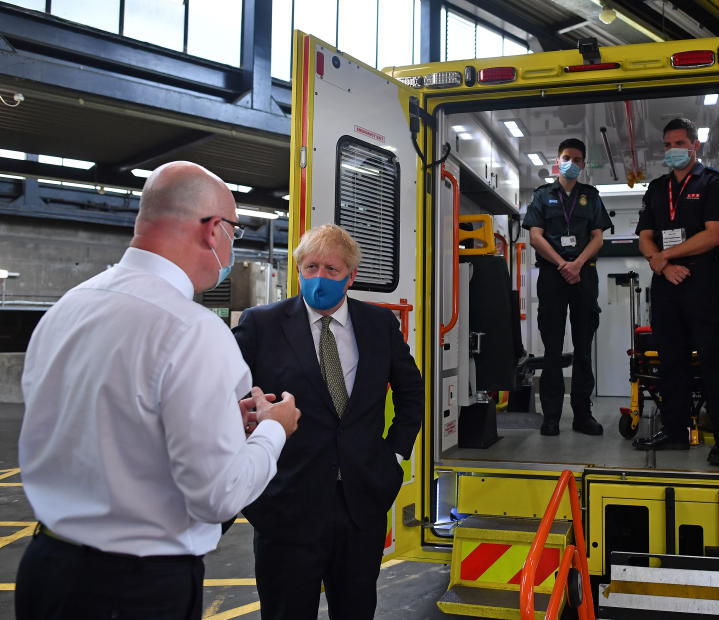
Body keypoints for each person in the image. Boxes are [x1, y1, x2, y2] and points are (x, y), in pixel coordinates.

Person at [15, 161, 301, 620]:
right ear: (213, 230)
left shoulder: (70, 307)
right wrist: (273, 431)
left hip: (46, 571)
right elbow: (217, 496)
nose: (231, 247)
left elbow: (102, 421)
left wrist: (222, 423)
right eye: (234, 232)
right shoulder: (192, 330)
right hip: (134, 591)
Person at [234, 224, 424, 620]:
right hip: (285, 506)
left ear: (350, 276)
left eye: (332, 270)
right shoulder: (260, 325)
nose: (319, 278)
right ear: (298, 270)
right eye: (311, 267)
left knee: (356, 609)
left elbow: (412, 394)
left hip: (360, 505)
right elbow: (222, 399)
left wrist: (394, 457)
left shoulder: (379, 326)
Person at [633, 118, 719, 466]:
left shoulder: (715, 184)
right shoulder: (656, 188)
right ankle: (675, 431)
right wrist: (662, 264)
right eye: (667, 145)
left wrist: (666, 256)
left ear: (695, 145)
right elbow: (645, 236)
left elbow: (713, 235)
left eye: (679, 143)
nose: (672, 150)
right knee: (671, 363)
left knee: (714, 363)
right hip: (666, 283)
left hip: (702, 281)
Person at [522, 138, 612, 436]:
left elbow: (598, 237)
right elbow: (535, 236)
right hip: (552, 275)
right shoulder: (542, 196)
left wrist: (576, 265)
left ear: (584, 164)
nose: (570, 161)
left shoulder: (591, 196)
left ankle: (582, 415)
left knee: (584, 349)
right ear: (556, 161)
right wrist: (562, 264)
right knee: (551, 349)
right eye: (565, 157)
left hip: (583, 274)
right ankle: (551, 416)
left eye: (576, 158)